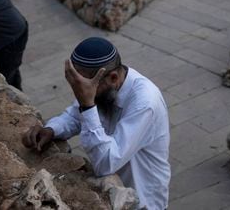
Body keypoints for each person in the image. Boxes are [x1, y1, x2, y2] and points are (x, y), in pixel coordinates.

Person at [22, 37, 170, 210]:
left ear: (113, 78)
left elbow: (105, 164)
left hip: (142, 200)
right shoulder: (105, 86)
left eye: (84, 88)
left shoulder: (145, 102)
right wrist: (51, 129)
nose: (80, 92)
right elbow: (75, 116)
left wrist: (87, 105)